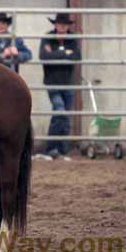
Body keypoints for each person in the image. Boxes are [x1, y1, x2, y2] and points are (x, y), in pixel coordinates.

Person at [40, 13, 82, 157]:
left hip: (68, 83)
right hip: (53, 82)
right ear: (55, 24)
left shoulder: (72, 38)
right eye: (59, 23)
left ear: (68, 26)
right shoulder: (47, 37)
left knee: (63, 116)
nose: (62, 26)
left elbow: (77, 56)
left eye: (64, 24)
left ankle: (59, 150)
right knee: (60, 111)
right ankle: (53, 148)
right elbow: (44, 57)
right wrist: (65, 53)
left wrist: (56, 52)